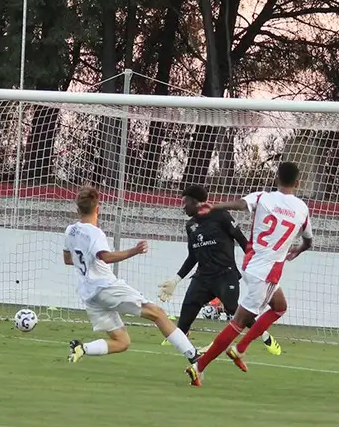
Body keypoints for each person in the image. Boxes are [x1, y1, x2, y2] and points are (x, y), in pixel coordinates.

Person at [185, 162, 313, 386]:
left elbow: (241, 204)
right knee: (238, 322)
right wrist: (298, 250)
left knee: (280, 306)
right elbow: (308, 240)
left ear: (276, 179)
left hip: (252, 264)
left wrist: (214, 207)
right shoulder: (302, 208)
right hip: (267, 272)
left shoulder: (263, 197)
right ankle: (200, 366)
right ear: (298, 182)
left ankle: (240, 348)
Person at [63, 186, 200, 367]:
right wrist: (134, 251)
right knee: (157, 314)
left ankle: (82, 348)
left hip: (89, 295)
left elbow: (67, 259)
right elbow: (105, 256)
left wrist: (86, 263)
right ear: (98, 208)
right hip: (105, 287)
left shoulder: (70, 230)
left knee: (122, 342)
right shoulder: (94, 233)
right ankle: (194, 356)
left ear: (77, 209)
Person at [157, 184, 281, 356]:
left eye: (184, 202)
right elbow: (193, 256)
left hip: (225, 274)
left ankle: (265, 335)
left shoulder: (220, 215)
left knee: (233, 308)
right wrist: (175, 280)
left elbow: (242, 240)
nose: (182, 206)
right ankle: (181, 342)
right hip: (202, 277)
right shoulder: (190, 225)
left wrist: (257, 266)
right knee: (185, 314)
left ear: (195, 202)